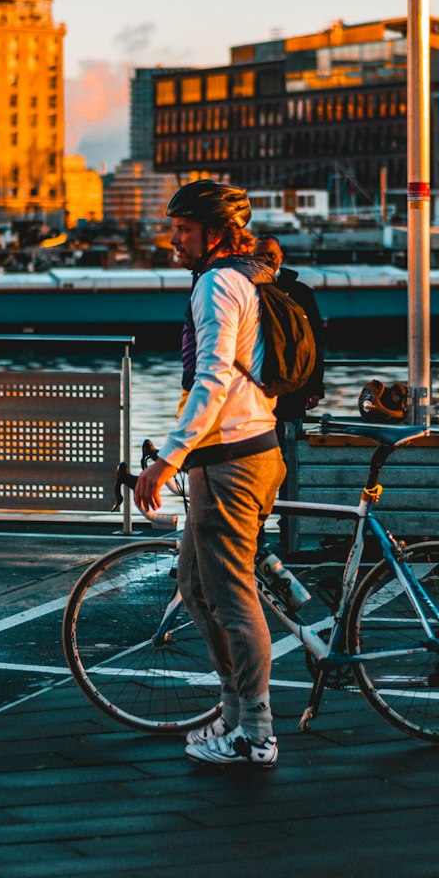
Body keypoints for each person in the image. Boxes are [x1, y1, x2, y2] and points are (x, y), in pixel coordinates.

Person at [134, 181, 285, 769]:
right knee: (196, 588)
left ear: (215, 234)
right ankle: (232, 708)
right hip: (225, 454)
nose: (174, 238)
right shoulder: (233, 276)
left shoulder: (220, 283)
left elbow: (215, 377)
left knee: (232, 594)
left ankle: (256, 732)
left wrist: (167, 457)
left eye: (185, 230)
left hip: (233, 458)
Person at [254, 235, 326, 420]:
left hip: (293, 384)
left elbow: (315, 341)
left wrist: (316, 387)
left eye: (271, 254)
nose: (267, 259)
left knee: (291, 440)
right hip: (254, 385)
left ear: (281, 256)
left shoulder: (301, 293)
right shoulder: (244, 289)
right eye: (259, 255)